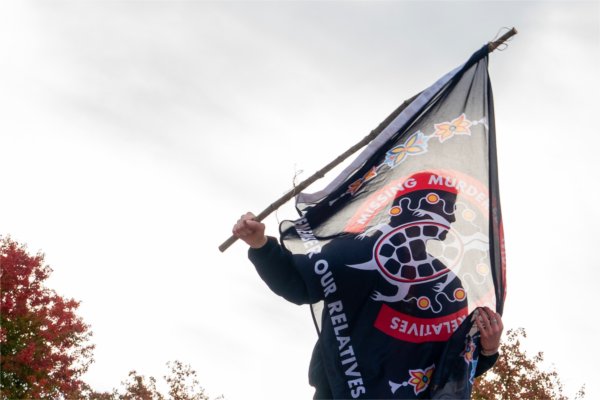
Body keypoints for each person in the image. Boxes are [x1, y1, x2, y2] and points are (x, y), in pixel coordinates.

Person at [233, 212, 503, 399]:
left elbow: (451, 365)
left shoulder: (447, 284)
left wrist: (488, 349)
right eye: (429, 203)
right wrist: (261, 246)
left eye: (447, 207)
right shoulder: (355, 253)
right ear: (400, 208)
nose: (444, 215)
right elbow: (299, 282)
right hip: (338, 391)